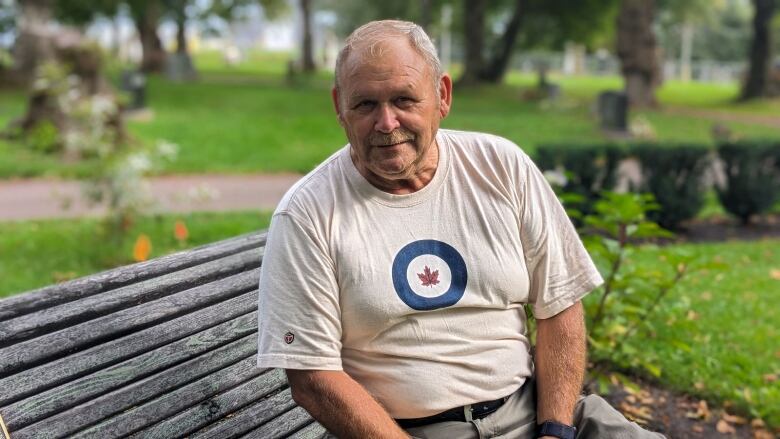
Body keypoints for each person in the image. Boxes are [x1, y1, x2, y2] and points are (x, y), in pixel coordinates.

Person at [257, 20, 665, 439]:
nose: (386, 122)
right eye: (365, 105)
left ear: (442, 96)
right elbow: (313, 378)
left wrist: (555, 430)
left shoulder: (500, 166)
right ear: (339, 107)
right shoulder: (308, 214)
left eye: (404, 99)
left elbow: (559, 303)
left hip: (535, 408)